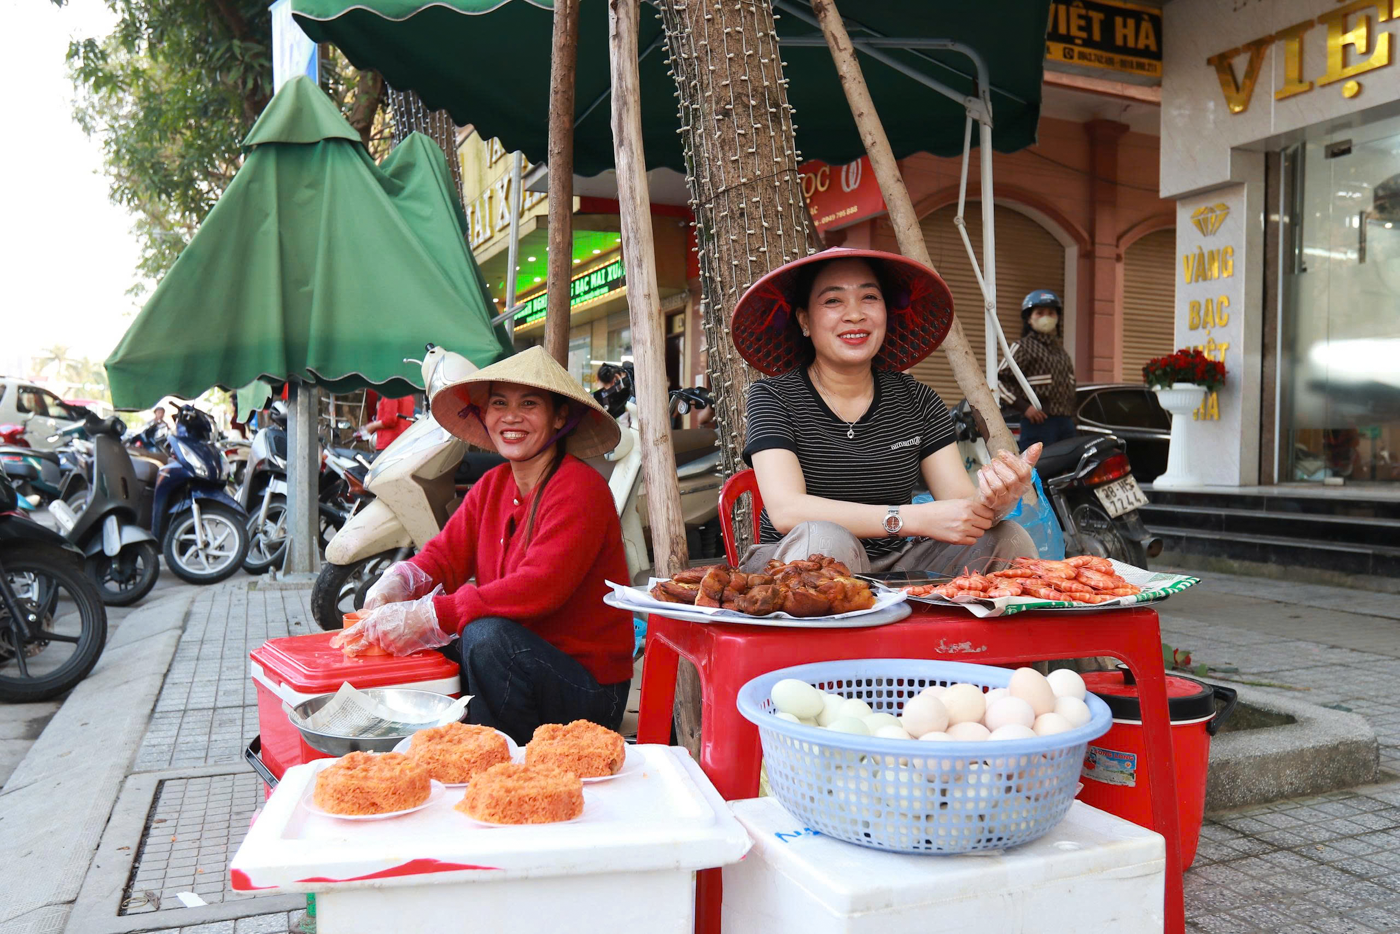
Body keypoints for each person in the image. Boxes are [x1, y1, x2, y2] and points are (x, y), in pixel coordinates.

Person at [334, 347, 634, 743]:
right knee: (430, 649)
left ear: (560, 416)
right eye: (499, 403)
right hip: (528, 663)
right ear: (484, 415)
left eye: (529, 404)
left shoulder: (580, 489)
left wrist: (430, 616)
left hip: (589, 690)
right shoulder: (492, 486)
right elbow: (443, 556)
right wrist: (402, 578)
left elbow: (539, 586)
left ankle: (501, 756)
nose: (511, 417)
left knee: (483, 637)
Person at [731, 247, 1041, 575]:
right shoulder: (772, 397)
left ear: (886, 313)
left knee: (1009, 538)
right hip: (794, 564)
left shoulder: (918, 400)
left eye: (869, 297)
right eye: (833, 301)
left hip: (897, 564)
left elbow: (961, 505)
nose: (855, 314)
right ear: (804, 320)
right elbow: (786, 510)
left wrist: (997, 499)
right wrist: (909, 518)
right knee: (825, 539)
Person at [999, 290, 1078, 451]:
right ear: (1029, 318)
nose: (1046, 317)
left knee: (1066, 474)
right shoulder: (1022, 347)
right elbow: (997, 380)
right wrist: (1025, 408)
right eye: (1039, 313)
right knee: (1037, 472)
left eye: (1051, 313)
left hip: (1066, 425)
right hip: (1038, 425)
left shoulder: (1062, 352)